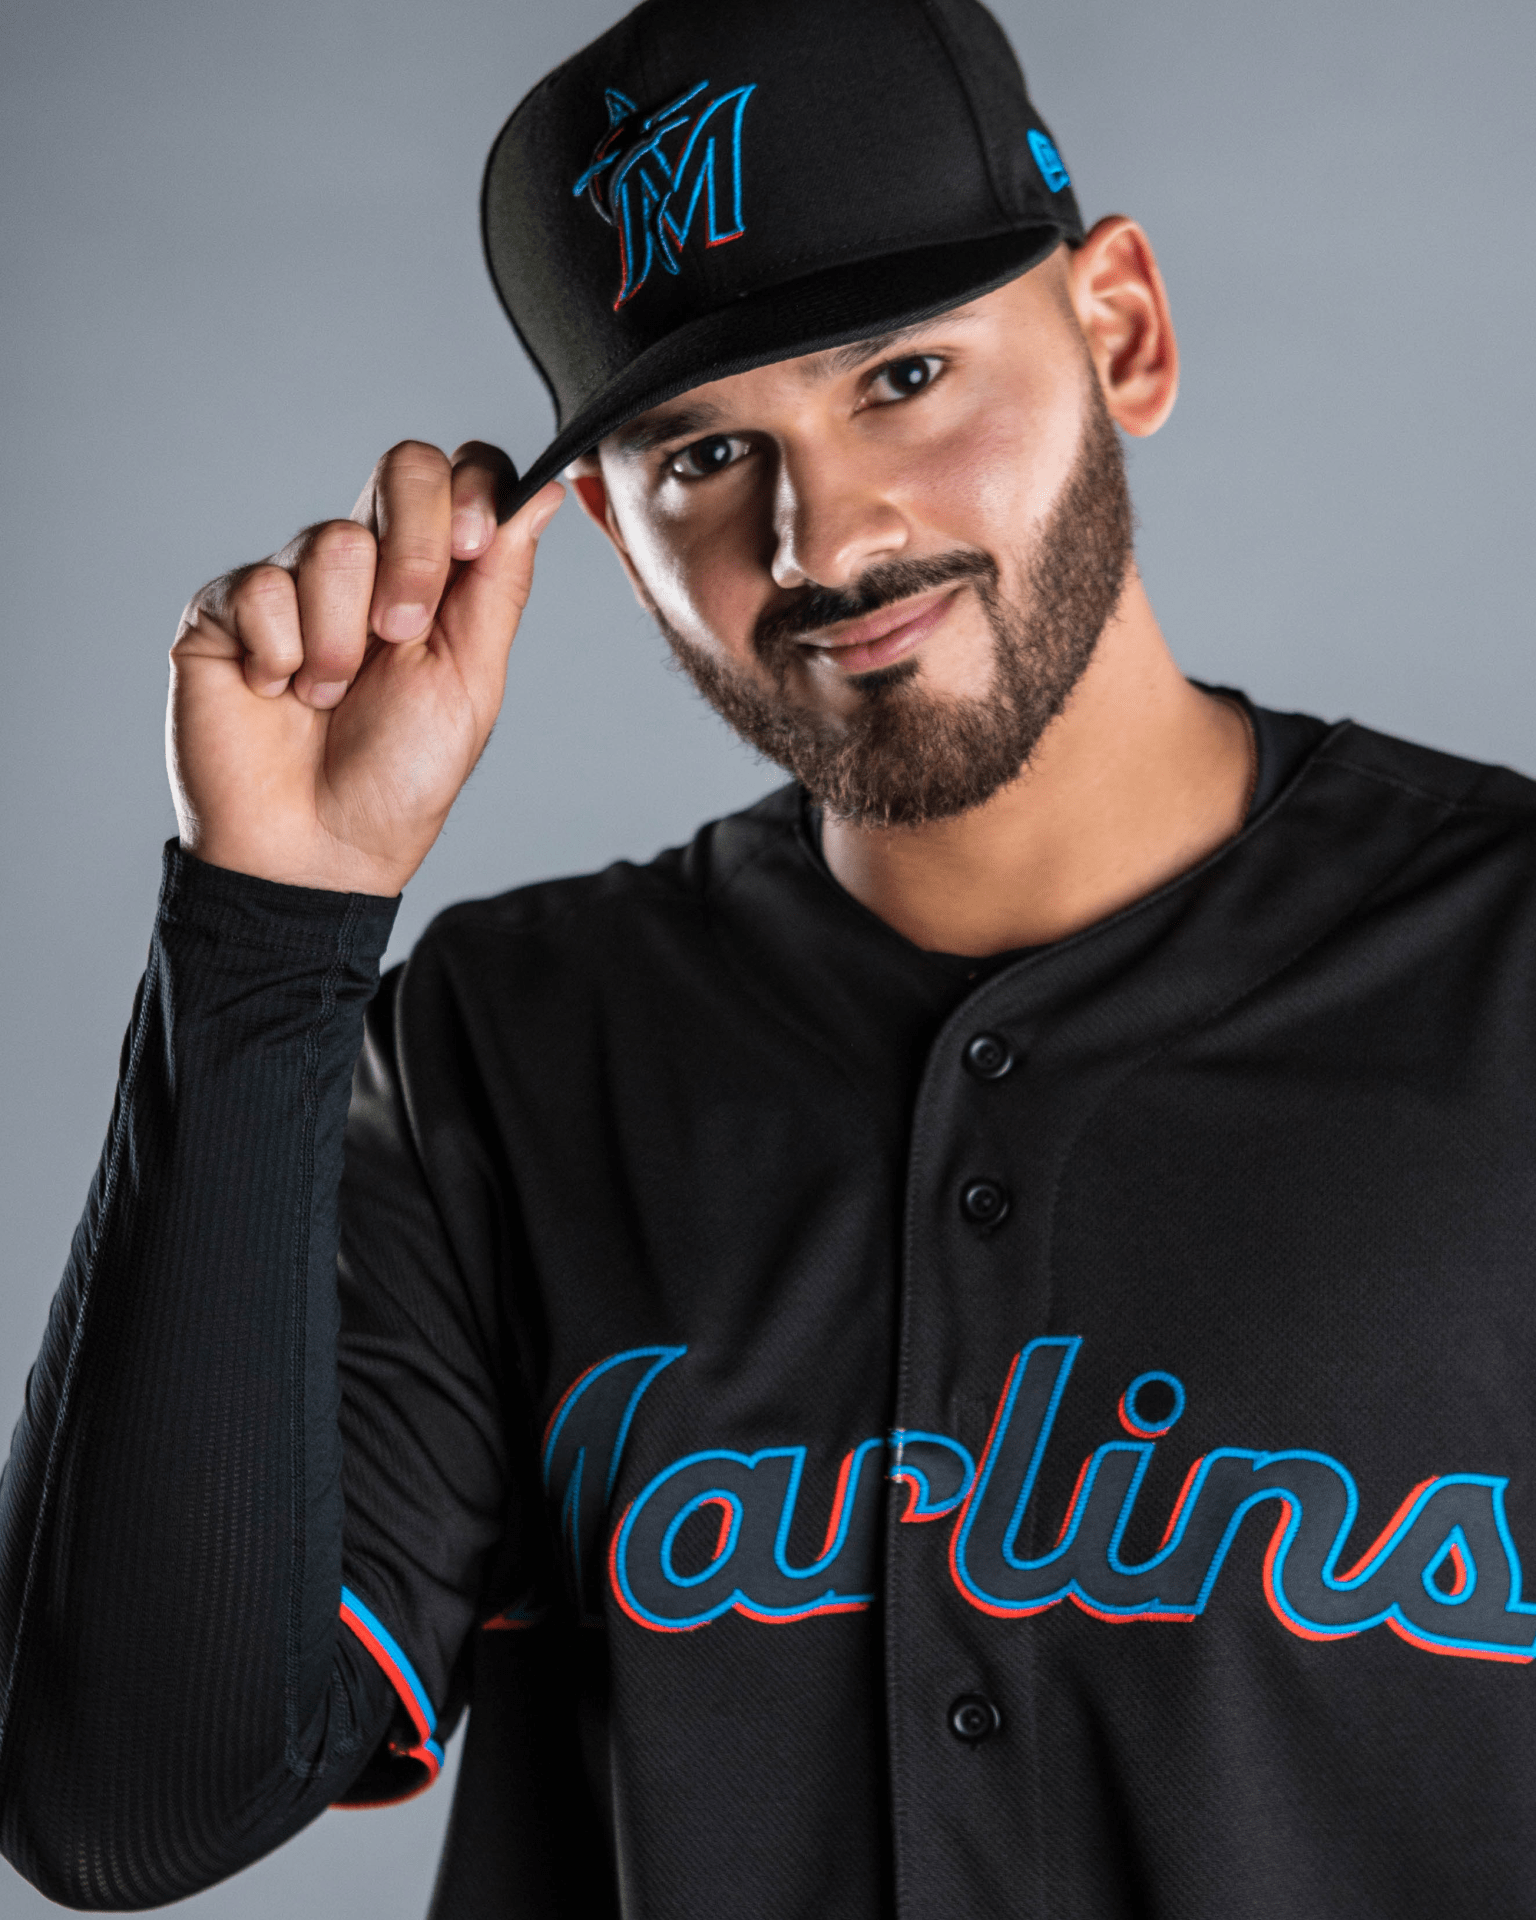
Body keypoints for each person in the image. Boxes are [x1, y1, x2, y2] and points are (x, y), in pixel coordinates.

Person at [3, 0, 1535, 1914]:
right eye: (703, 448)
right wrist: (271, 929)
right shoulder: (504, 1054)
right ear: (600, 533)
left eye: (904, 375)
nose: (827, 534)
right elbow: (122, 1801)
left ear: (1121, 329)